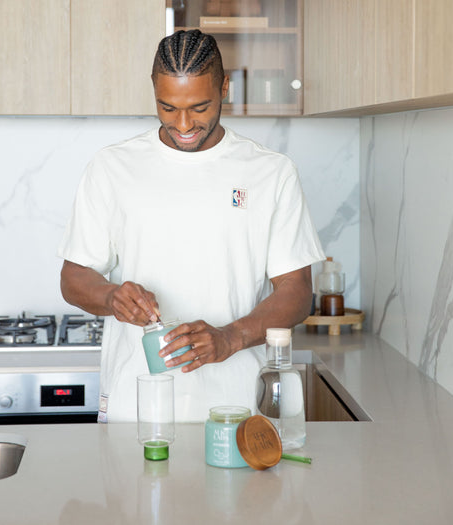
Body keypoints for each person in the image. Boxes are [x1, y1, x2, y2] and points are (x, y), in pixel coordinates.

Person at [58, 29, 325, 422]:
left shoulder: (271, 172)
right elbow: (73, 278)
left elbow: (298, 291)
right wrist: (112, 296)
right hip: (135, 411)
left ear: (225, 88)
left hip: (236, 412)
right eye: (167, 108)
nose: (183, 124)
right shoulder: (111, 168)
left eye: (199, 107)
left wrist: (230, 338)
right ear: (154, 92)